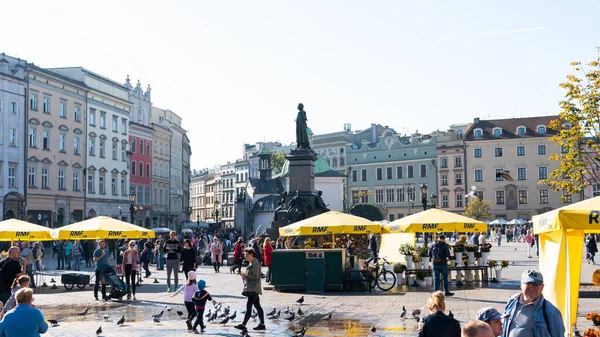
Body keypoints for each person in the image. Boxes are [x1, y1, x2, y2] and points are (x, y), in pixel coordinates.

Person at [501, 269, 565, 337]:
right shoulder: (512, 301)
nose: (531, 287)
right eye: (528, 283)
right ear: (521, 284)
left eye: (535, 284)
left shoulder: (551, 311)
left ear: (542, 287)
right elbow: (503, 328)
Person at [234, 248, 266, 332]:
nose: (245, 256)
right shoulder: (252, 263)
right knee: (257, 306)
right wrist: (244, 275)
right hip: (252, 287)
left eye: (246, 255)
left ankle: (243, 325)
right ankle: (262, 324)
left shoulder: (255, 263)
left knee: (249, 306)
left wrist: (246, 276)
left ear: (251, 255)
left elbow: (256, 276)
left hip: (253, 288)